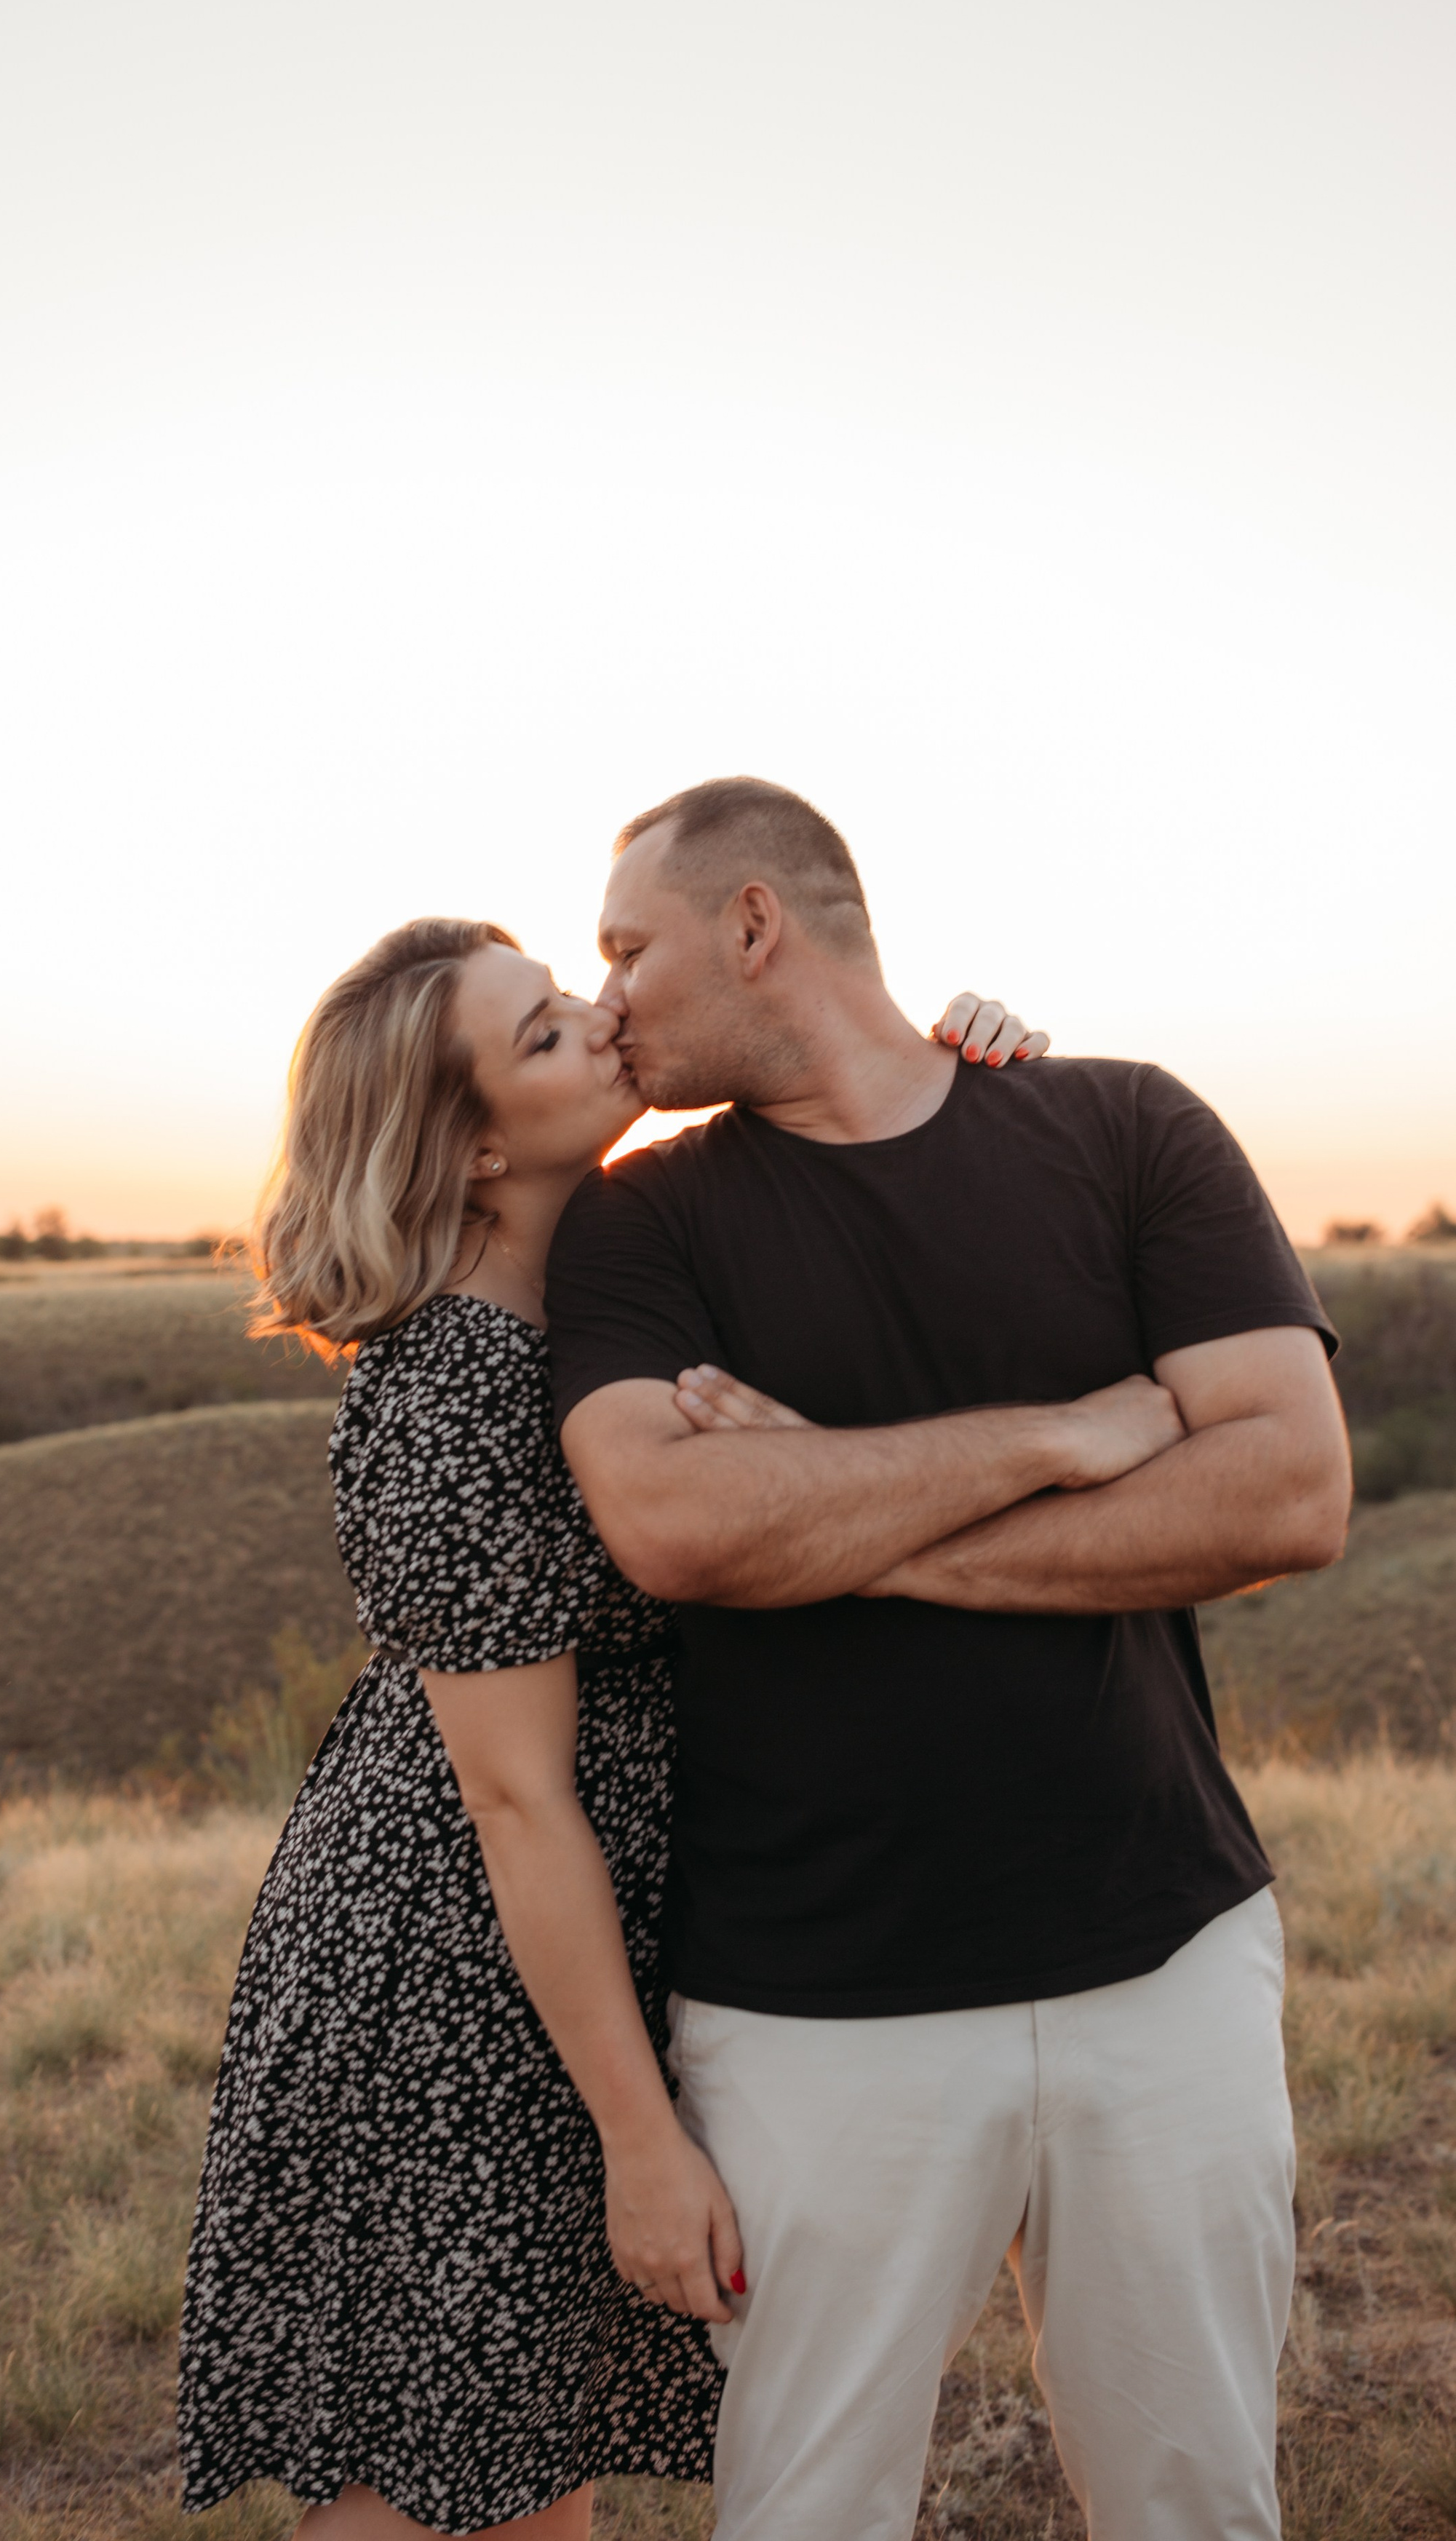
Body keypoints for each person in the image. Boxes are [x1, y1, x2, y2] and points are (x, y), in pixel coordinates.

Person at [177, 913, 1163, 2539]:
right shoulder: (444, 1388)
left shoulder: (616, 1278)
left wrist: (956, 1071)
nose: (600, 1015)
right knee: (437, 2487)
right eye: (544, 1031)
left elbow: (856, 1168)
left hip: (597, 1944)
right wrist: (639, 2140)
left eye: (567, 990)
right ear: (476, 1147)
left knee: (524, 2469)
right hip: (466, 1977)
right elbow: (515, 1803)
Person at [549, 776, 1353, 2541]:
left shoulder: (1123, 1125)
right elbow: (677, 1528)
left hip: (1163, 1957)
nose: (602, 1001)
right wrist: (1065, 1439)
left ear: (750, 923)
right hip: (809, 2000)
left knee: (1197, 2501)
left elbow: (1287, 1491)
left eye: (624, 950)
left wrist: (852, 1530)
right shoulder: (637, 1220)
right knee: (807, 2514)